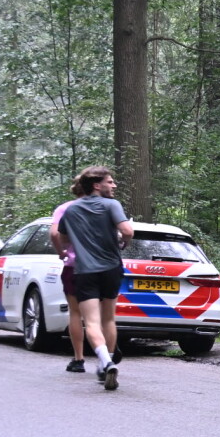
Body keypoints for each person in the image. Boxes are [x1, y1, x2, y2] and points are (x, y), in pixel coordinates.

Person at [50, 165, 133, 392]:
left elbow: (61, 237)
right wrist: (123, 243)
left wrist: (69, 249)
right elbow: (127, 231)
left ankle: (105, 360)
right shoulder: (112, 205)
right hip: (111, 269)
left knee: (92, 322)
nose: (114, 185)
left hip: (85, 271)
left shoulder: (71, 210)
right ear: (97, 185)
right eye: (110, 182)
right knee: (109, 319)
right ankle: (107, 364)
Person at [49, 197, 88, 373]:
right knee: (102, 315)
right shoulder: (109, 207)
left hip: (75, 266)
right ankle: (108, 351)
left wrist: (61, 252)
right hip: (105, 268)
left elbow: (55, 233)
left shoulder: (65, 208)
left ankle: (79, 359)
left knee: (75, 313)